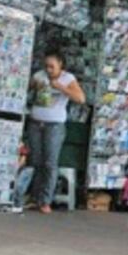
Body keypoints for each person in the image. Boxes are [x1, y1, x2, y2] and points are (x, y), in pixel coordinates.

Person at [27, 52, 85, 214]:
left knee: (50, 163)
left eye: (52, 66)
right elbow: (28, 87)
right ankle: (35, 198)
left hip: (54, 125)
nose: (49, 70)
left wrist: (61, 87)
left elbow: (80, 98)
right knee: (36, 161)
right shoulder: (39, 75)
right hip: (36, 123)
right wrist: (34, 86)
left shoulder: (68, 78)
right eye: (46, 66)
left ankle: (45, 200)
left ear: (61, 65)